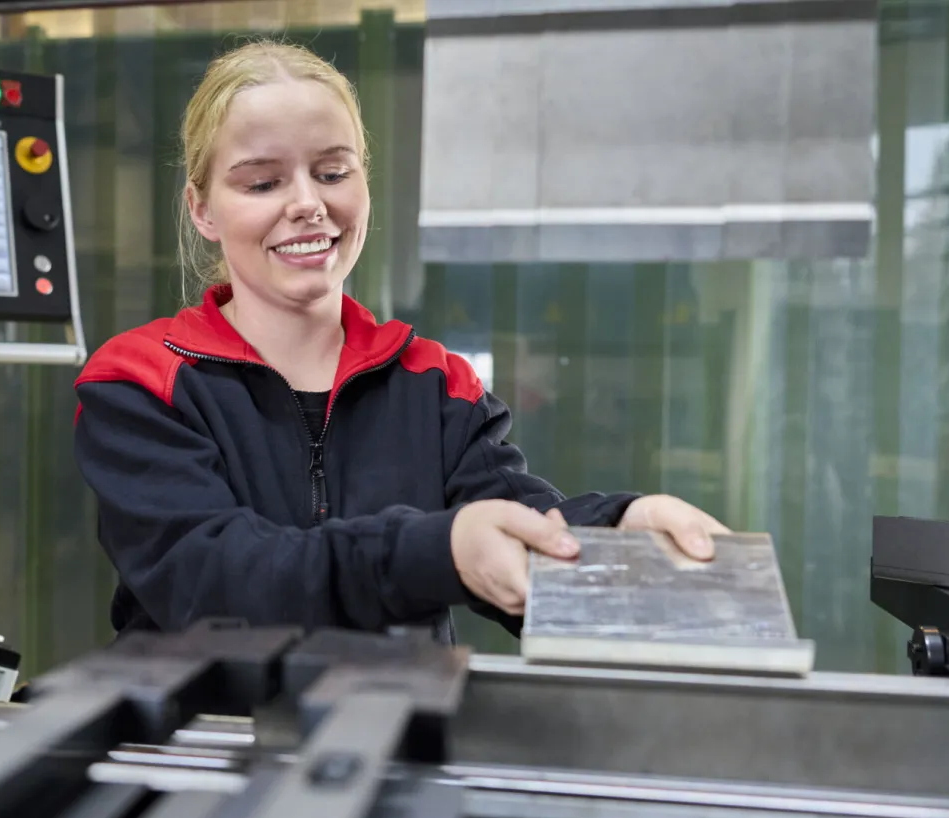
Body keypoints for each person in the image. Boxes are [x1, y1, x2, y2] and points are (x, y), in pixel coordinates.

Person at [72, 40, 729, 641]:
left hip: (391, 745)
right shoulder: (140, 380)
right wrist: (437, 551)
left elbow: (519, 528)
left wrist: (620, 528)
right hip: (200, 754)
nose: (308, 203)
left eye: (332, 172)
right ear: (203, 209)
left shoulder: (434, 382)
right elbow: (214, 579)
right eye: (263, 182)